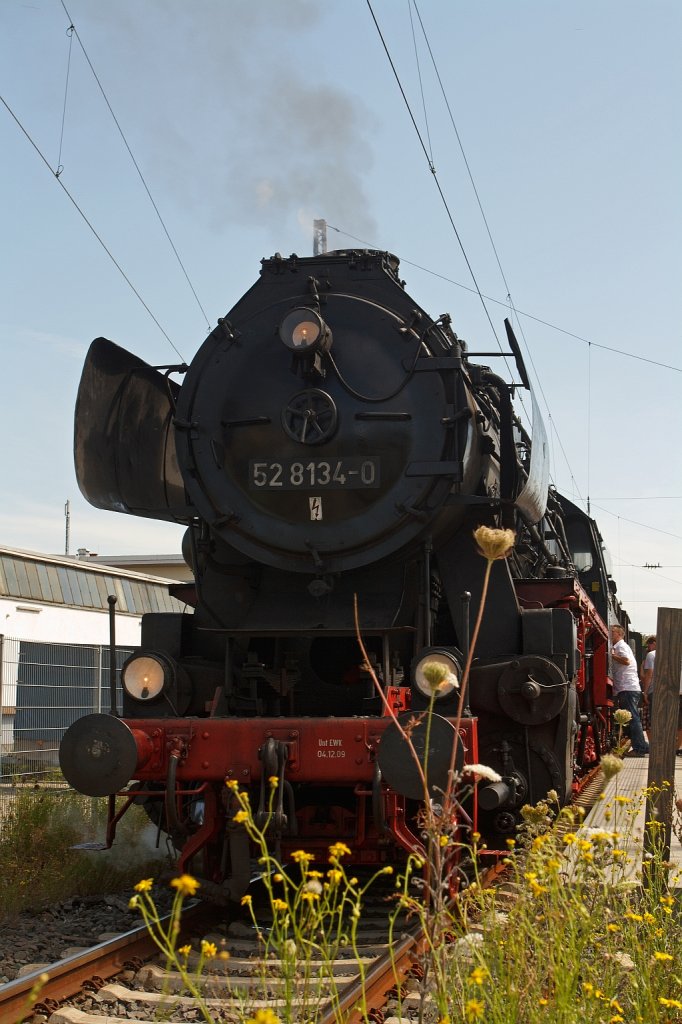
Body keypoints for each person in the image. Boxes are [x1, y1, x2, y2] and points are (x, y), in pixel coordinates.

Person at [610, 624, 649, 756]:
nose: (610, 633)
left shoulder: (620, 646)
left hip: (628, 687)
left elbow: (626, 661)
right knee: (632, 718)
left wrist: (612, 656)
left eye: (613, 632)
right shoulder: (620, 646)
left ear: (619, 634)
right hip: (627, 687)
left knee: (632, 718)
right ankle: (641, 746)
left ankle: (640, 749)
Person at [640, 635, 656, 734]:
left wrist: (645, 693)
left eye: (648, 645)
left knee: (652, 722)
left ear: (653, 643)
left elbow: (646, 676)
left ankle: (654, 747)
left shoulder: (651, 655)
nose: (647, 648)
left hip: (653, 690)